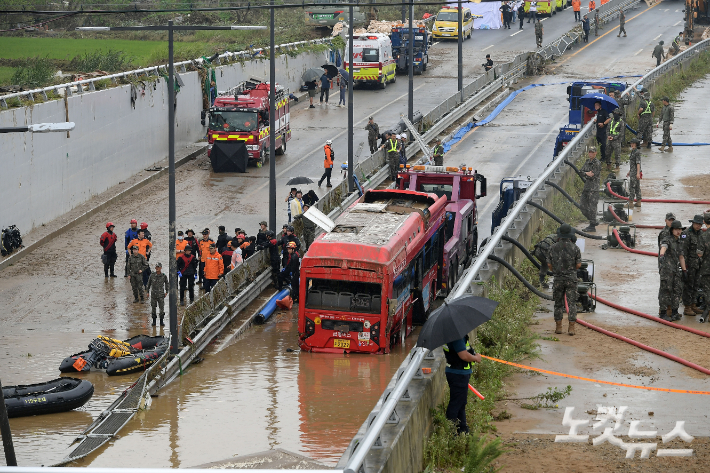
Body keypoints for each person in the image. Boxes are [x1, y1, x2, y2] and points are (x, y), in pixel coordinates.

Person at [443, 334, 481, 434]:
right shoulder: (457, 337)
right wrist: (475, 358)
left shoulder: (452, 335)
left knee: (461, 402)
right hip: (458, 374)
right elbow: (463, 355)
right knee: (456, 404)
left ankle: (463, 430)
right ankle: (450, 433)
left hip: (457, 373)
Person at [548, 224, 582, 335]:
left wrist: (556, 271)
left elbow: (549, 264)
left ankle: (558, 327)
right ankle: (571, 328)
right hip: (571, 279)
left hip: (558, 279)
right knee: (572, 303)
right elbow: (578, 265)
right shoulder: (575, 248)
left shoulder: (552, 247)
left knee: (558, 303)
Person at [658, 220, 686, 321]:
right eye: (676, 229)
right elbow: (664, 247)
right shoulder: (667, 239)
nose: (678, 231)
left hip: (676, 270)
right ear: (672, 230)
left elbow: (681, 257)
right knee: (666, 290)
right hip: (667, 270)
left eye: (680, 229)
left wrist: (684, 270)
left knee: (677, 290)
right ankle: (663, 312)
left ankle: (674, 312)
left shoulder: (680, 241)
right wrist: (661, 255)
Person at [681, 215, 704, 315]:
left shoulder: (701, 234)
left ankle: (693, 305)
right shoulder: (686, 233)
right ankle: (687, 307)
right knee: (688, 286)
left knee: (696, 285)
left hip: (698, 264)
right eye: (697, 224)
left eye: (700, 224)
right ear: (693, 223)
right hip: (689, 264)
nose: (698, 226)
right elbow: (683, 251)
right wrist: (684, 267)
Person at [580, 147, 601, 232]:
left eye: (592, 152)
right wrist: (586, 173)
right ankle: (593, 221)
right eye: (589, 152)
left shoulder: (597, 163)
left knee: (592, 207)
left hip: (594, 189)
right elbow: (581, 172)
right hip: (587, 187)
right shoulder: (587, 162)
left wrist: (587, 174)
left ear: (595, 153)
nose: (591, 154)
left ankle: (592, 225)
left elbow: (593, 175)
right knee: (582, 206)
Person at [697, 213, 710, 320]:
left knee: (707, 291)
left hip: (706, 268)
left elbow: (699, 253)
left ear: (704, 222)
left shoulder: (703, 236)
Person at [626, 138, 642, 209]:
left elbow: (638, 163)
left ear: (636, 144)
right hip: (633, 171)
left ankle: (631, 202)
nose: (632, 145)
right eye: (631, 143)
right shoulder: (633, 152)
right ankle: (638, 202)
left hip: (635, 173)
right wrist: (629, 171)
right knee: (637, 187)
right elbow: (633, 164)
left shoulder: (636, 152)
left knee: (632, 187)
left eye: (633, 143)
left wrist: (638, 173)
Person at [594, 101, 610, 169]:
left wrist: (603, 124)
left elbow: (608, 119)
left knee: (603, 145)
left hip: (603, 131)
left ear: (600, 105)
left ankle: (605, 158)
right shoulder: (598, 113)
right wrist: (596, 121)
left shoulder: (604, 111)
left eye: (597, 105)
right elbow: (599, 120)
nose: (596, 107)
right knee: (600, 144)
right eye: (595, 106)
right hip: (598, 132)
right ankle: (602, 156)